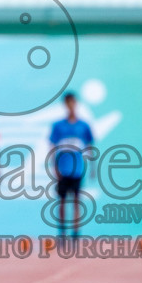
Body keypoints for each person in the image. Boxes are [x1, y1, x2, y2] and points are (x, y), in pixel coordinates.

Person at [48, 93, 94, 238]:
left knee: (76, 200)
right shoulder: (58, 126)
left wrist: (92, 167)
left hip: (78, 170)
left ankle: (75, 232)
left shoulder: (83, 126)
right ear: (65, 104)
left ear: (76, 103)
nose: (70, 105)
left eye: (72, 102)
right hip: (63, 170)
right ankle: (62, 231)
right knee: (61, 201)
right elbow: (52, 147)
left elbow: (89, 146)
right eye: (67, 102)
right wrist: (54, 167)